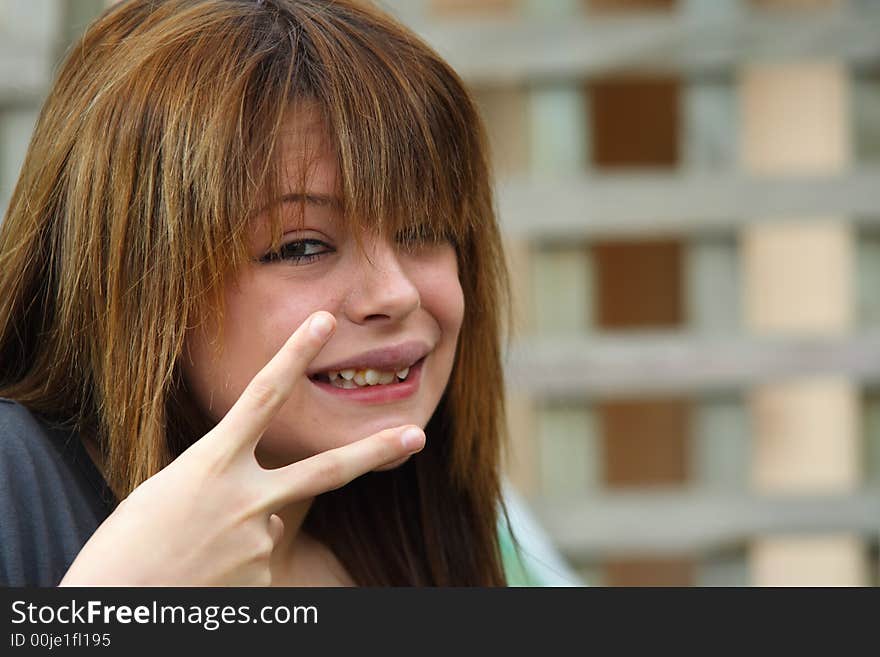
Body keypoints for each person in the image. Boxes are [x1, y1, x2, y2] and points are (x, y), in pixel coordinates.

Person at [0, 0, 515, 586]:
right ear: (135, 276)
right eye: (301, 246)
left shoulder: (427, 554)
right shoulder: (13, 484)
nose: (395, 294)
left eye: (425, 230)